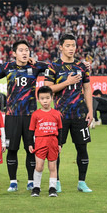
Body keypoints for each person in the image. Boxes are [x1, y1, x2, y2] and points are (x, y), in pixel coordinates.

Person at [0, 40, 49, 192]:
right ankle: (13, 182)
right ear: (14, 53)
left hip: (31, 116)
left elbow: (49, 67)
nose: (25, 53)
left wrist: (37, 61)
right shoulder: (8, 67)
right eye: (21, 50)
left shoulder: (35, 67)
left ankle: (31, 181)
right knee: (12, 149)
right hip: (12, 115)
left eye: (27, 50)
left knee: (31, 149)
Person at [44, 33, 93, 193]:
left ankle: (82, 182)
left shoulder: (81, 66)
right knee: (56, 149)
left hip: (79, 114)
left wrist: (90, 110)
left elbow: (87, 88)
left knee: (82, 147)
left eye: (73, 45)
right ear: (61, 47)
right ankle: (56, 181)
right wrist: (67, 82)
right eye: (68, 46)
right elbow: (47, 89)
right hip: (59, 116)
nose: (71, 48)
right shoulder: (53, 66)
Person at [29, 86, 62, 197]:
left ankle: (52, 188)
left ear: (52, 98)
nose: (45, 101)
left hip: (53, 142)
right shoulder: (35, 114)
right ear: (38, 99)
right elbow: (31, 130)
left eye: (47, 98)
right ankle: (36, 188)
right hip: (40, 142)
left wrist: (60, 143)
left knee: (52, 167)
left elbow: (60, 130)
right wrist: (30, 143)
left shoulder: (57, 113)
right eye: (42, 98)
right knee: (39, 166)